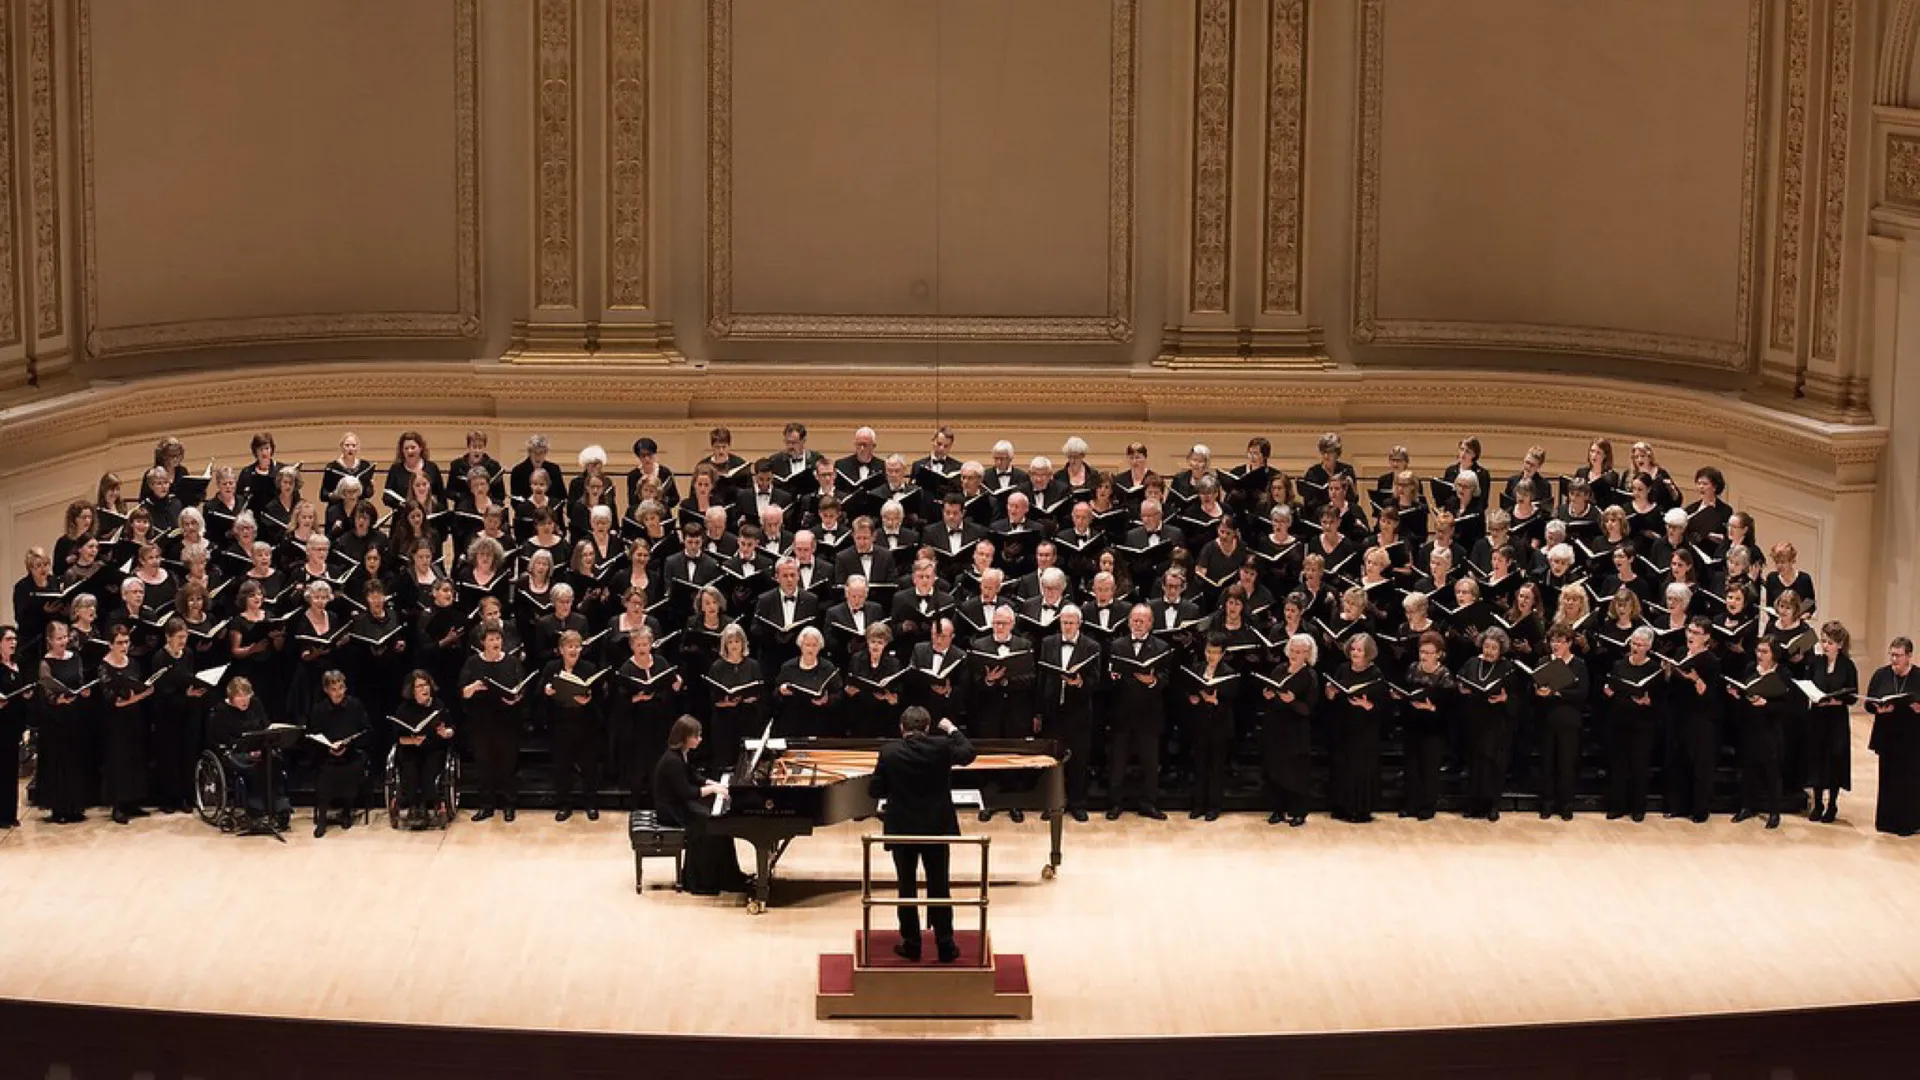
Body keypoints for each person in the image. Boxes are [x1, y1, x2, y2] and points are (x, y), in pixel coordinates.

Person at [868, 705, 977, 963]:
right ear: (928, 728)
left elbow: (875, 790)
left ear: (901, 728)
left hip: (903, 829)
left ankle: (912, 943)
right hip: (936, 828)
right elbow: (969, 753)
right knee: (939, 885)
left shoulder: (889, 752)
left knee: (906, 886)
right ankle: (945, 944)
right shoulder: (941, 747)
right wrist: (952, 730)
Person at [652, 715, 751, 896]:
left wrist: (714, 783)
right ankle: (702, 881)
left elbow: (693, 777)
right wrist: (713, 789)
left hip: (679, 804)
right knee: (709, 824)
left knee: (721, 823)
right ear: (684, 737)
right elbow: (687, 792)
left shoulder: (681, 754)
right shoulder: (672, 761)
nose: (700, 739)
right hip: (670, 811)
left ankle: (728, 876)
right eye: (696, 736)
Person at [1804, 621, 1858, 823]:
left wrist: (1837, 700)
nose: (1825, 646)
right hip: (1818, 717)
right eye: (1824, 641)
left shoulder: (1847, 666)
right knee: (1817, 758)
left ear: (1840, 644)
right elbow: (1808, 684)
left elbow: (1852, 695)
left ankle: (1832, 804)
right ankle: (1817, 803)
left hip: (1836, 719)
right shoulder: (1816, 663)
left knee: (1834, 760)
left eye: (1830, 642)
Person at [1866, 636, 1920, 836]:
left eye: (1898, 656)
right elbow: (1869, 702)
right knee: (1887, 778)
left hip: (1911, 736)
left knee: (1909, 781)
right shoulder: (1881, 675)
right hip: (1887, 734)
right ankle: (1886, 821)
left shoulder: (1918, 676)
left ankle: (1908, 823)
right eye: (1892, 655)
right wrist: (1877, 708)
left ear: (1909, 656)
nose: (1894, 660)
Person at [306, 670, 369, 836]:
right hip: (326, 753)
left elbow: (366, 731)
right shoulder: (319, 709)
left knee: (351, 768)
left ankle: (347, 811)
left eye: (341, 687)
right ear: (326, 690)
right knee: (325, 772)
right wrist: (328, 747)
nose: (338, 692)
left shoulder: (355, 705)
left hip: (351, 751)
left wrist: (347, 745)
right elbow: (313, 734)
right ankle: (322, 818)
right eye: (333, 689)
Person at [392, 670, 455, 829]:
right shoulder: (404, 709)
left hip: (433, 749)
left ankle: (432, 804)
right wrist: (412, 740)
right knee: (410, 772)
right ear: (412, 690)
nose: (424, 689)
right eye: (419, 686)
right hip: (410, 749)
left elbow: (451, 728)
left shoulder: (438, 705)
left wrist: (446, 732)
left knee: (429, 774)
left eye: (426, 684)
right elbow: (397, 738)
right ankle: (413, 806)